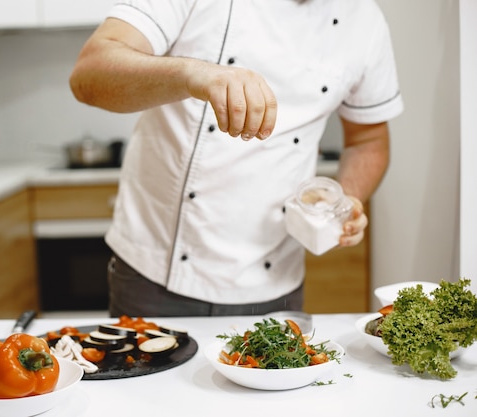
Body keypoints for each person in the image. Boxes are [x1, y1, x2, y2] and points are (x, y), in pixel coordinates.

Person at [69, 0, 403, 317]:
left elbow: (368, 141)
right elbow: (88, 75)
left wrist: (344, 203)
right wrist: (193, 75)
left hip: (277, 284)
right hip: (154, 278)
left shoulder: (365, 20)